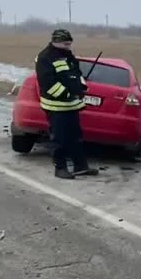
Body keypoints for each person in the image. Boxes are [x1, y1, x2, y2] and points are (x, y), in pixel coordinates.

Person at [35, 29, 98, 180]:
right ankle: (60, 168)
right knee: (59, 139)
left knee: (76, 137)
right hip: (56, 106)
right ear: (56, 41)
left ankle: (80, 166)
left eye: (70, 43)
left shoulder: (67, 55)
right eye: (66, 43)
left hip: (72, 106)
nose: (68, 46)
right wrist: (67, 94)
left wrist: (81, 87)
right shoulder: (45, 57)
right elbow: (48, 83)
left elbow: (76, 73)